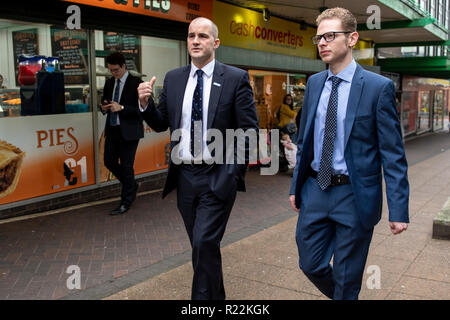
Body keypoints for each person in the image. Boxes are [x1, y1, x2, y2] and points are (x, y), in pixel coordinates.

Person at [289, 7, 409, 300]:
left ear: (352, 38)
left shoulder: (378, 88)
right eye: (319, 37)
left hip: (355, 196)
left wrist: (399, 209)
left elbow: (393, 155)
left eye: (330, 36)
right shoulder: (315, 83)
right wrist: (296, 186)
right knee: (310, 263)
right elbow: (305, 141)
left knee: (347, 276)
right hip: (315, 188)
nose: (322, 43)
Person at [138, 17, 258, 300]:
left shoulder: (235, 78)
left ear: (215, 43)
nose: (195, 40)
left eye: (202, 36)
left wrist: (231, 174)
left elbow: (248, 131)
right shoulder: (174, 78)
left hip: (218, 175)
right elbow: (160, 123)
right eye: (191, 35)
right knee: (202, 247)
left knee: (204, 242)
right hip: (186, 178)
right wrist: (145, 104)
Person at [100, 52, 143, 215]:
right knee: (109, 161)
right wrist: (103, 107)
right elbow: (105, 100)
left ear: (124, 66)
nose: (113, 73)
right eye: (111, 70)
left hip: (130, 132)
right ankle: (131, 186)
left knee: (126, 166)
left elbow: (142, 110)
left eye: (116, 70)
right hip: (112, 129)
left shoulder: (137, 83)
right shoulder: (110, 83)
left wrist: (123, 108)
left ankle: (126, 201)